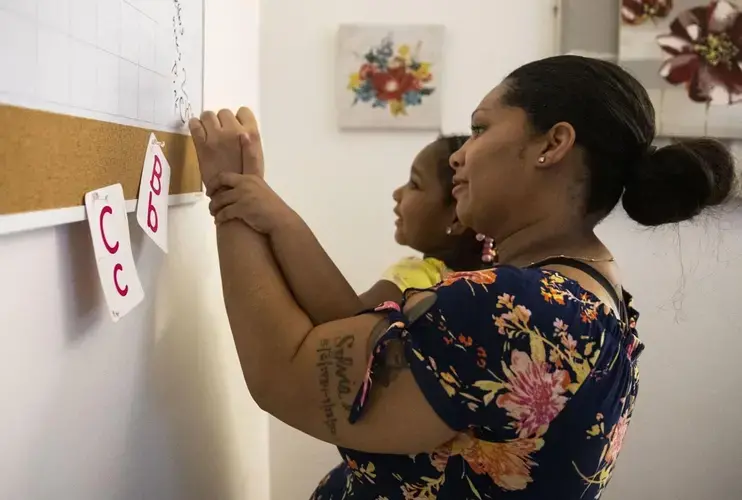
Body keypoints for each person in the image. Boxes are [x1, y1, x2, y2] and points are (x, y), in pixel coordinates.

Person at [189, 55, 736, 499]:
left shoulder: (517, 308)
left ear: (553, 144)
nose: (460, 156)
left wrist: (230, 191)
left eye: (480, 129)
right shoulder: (589, 293)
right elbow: (357, 329)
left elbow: (285, 376)